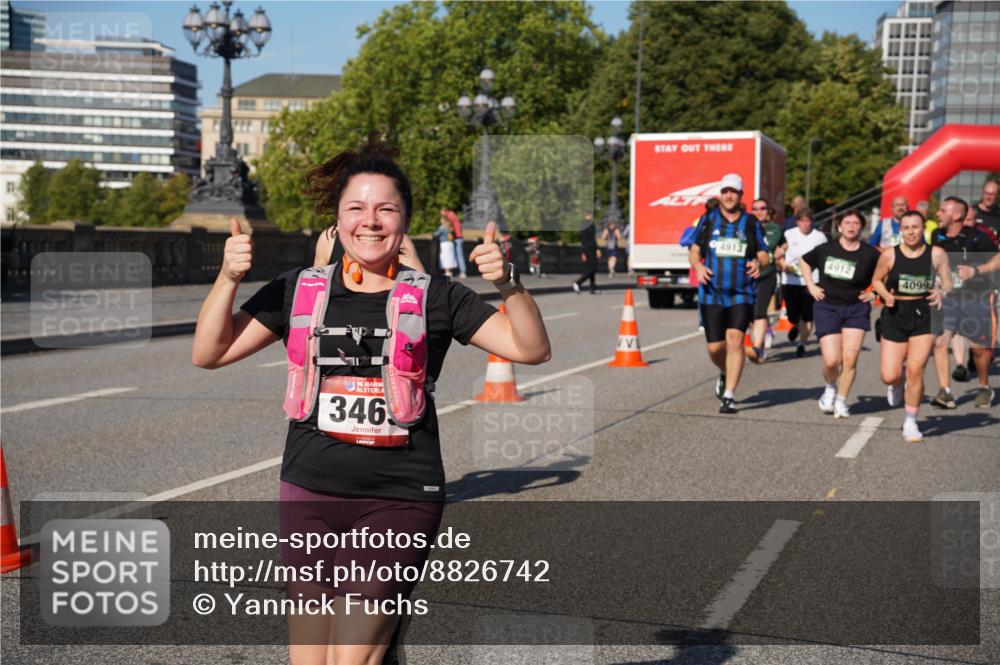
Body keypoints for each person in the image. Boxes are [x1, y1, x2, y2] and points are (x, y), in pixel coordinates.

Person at [191, 135, 550, 665]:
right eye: (356, 208)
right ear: (337, 221)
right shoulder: (301, 289)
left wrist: (509, 284)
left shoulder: (437, 296)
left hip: (399, 495)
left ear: (404, 222)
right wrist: (227, 277)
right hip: (309, 487)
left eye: (386, 209)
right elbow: (209, 353)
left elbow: (531, 349)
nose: (371, 220)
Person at [688, 173, 769, 414]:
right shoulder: (708, 220)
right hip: (712, 293)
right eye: (725, 191)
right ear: (720, 195)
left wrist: (758, 262)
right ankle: (725, 371)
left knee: (735, 341)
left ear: (740, 195)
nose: (729, 195)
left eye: (733, 191)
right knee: (715, 348)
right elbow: (694, 250)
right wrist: (699, 266)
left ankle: (730, 395)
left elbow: (764, 252)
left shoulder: (751, 223)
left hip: (741, 292)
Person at [872, 210, 952, 442]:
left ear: (922, 228)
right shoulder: (889, 255)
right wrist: (885, 294)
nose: (910, 232)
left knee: (916, 370)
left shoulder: (936, 254)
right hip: (895, 313)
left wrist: (942, 291)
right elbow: (876, 280)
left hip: (923, 314)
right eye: (906, 227)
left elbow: (947, 280)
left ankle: (910, 421)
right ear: (901, 230)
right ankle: (897, 383)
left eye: (915, 227)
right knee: (889, 374)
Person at [799, 210, 881, 417]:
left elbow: (886, 274)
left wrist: (874, 294)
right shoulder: (826, 249)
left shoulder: (871, 254)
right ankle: (829, 387)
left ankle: (842, 401)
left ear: (861, 227)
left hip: (856, 308)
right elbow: (804, 261)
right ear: (839, 226)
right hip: (828, 306)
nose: (851, 226)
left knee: (850, 360)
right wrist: (811, 285)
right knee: (831, 361)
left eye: (855, 223)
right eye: (847, 222)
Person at [929, 196, 1000, 410]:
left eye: (943, 210)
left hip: (975, 298)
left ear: (957, 215)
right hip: (948, 298)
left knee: (979, 351)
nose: (937, 214)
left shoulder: (977, 239)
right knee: (941, 341)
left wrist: (976, 270)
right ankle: (946, 392)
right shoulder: (937, 235)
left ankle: (984, 386)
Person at [778, 207, 828, 357]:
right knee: (793, 314)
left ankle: (802, 344)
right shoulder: (788, 234)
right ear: (797, 222)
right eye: (802, 221)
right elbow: (778, 254)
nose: (805, 224)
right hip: (791, 280)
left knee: (807, 314)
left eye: (808, 221)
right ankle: (794, 324)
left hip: (812, 280)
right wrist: (783, 264)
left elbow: (825, 258)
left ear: (812, 222)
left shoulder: (820, 237)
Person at [746, 198, 784, 363]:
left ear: (768, 211)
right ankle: (766, 332)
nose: (759, 211)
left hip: (766, 275)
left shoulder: (774, 228)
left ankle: (757, 347)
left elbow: (782, 243)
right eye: (755, 209)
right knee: (748, 314)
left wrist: (781, 250)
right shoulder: (745, 226)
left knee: (759, 312)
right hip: (746, 276)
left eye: (762, 208)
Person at [313, 224, 425, 272]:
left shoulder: (400, 242)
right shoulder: (329, 238)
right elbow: (313, 294)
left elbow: (421, 294)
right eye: (356, 208)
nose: (370, 221)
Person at [573, 211, 602, 294]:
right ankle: (578, 282)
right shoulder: (590, 225)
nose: (591, 216)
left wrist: (583, 251)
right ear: (587, 216)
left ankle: (593, 288)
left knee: (591, 268)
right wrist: (597, 249)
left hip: (586, 249)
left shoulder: (583, 225)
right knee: (593, 268)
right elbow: (592, 239)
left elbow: (583, 240)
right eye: (590, 215)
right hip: (590, 249)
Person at [443, 208, 467, 278]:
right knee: (459, 255)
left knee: (459, 255)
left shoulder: (450, 215)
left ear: (445, 211)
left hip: (457, 238)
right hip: (459, 237)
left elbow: (450, 227)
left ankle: (463, 272)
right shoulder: (453, 214)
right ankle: (462, 271)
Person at [433, 212, 458, 276]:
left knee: (445, 257)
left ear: (443, 220)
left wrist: (432, 234)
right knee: (451, 257)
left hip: (444, 243)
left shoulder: (442, 227)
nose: (440, 220)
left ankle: (447, 271)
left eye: (441, 219)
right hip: (451, 243)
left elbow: (437, 234)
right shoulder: (449, 227)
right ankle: (450, 271)